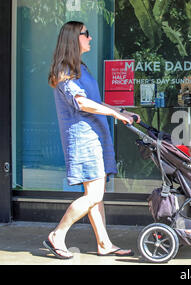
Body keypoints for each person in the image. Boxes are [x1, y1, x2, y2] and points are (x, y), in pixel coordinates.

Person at [44, 21, 140, 259]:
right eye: (86, 34)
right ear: (74, 38)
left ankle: (104, 243)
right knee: (94, 195)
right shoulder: (63, 70)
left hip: (96, 136)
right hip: (82, 139)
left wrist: (121, 111)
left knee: (96, 195)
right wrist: (114, 113)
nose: (90, 38)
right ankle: (57, 235)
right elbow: (82, 102)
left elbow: (94, 100)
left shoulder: (80, 68)